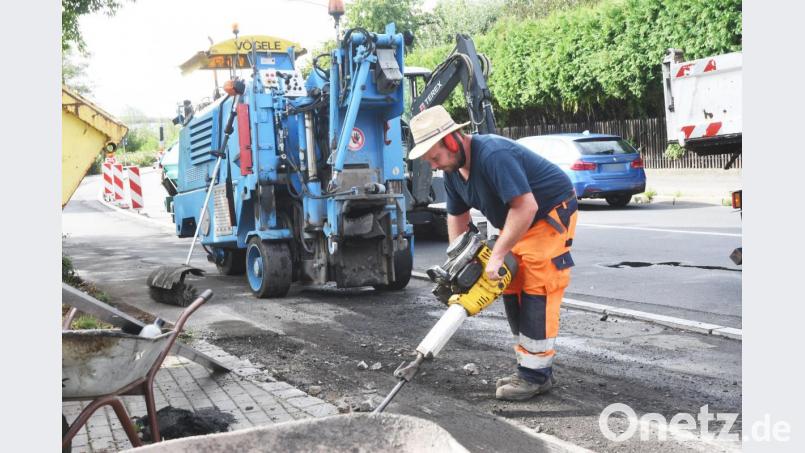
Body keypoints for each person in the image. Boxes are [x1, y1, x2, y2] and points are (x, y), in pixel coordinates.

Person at [408, 106, 578, 401]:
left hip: (547, 212)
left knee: (537, 284)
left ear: (452, 141)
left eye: (435, 157)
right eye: (429, 162)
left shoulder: (493, 155)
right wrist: (460, 264)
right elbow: (457, 217)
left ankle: (535, 376)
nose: (434, 166)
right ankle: (529, 368)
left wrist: (497, 253)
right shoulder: (452, 170)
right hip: (518, 218)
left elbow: (526, 206)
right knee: (508, 282)